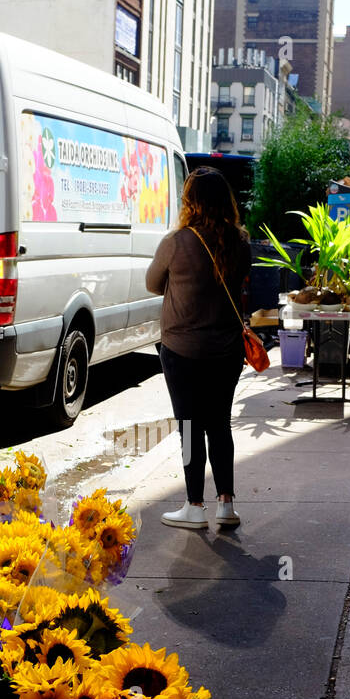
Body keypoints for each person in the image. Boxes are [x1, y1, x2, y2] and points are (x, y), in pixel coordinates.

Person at [145, 166, 251, 529]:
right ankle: (226, 504)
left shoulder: (175, 242)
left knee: (190, 428)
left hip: (182, 351)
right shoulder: (241, 242)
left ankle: (194, 505)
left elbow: (152, 284)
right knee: (220, 424)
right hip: (226, 351)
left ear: (190, 201)